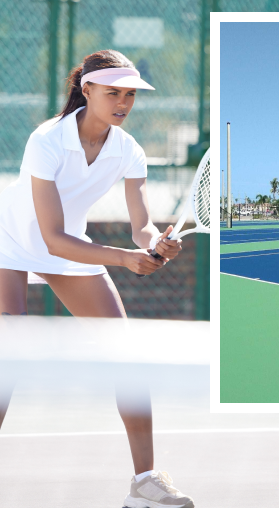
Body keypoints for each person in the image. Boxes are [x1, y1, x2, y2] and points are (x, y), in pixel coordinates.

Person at [0, 49, 195, 508]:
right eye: (114, 93)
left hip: (70, 244)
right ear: (86, 90)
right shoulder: (45, 140)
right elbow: (48, 238)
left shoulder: (129, 150)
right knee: (8, 361)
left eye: (130, 94)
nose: (123, 102)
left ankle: (145, 484)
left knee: (127, 358)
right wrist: (125, 260)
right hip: (11, 240)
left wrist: (156, 244)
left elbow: (141, 227)